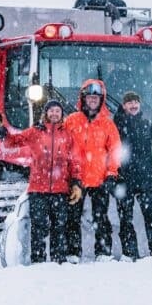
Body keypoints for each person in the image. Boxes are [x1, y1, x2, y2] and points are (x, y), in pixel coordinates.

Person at [0, 100, 81, 264]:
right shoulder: (35, 132)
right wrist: (1, 130)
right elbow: (13, 141)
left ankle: (58, 261)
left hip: (60, 189)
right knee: (39, 227)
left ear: (62, 114)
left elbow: (75, 161)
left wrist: (76, 182)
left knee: (59, 227)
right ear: (46, 113)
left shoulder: (68, 135)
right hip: (38, 189)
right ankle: (38, 260)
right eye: (51, 111)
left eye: (57, 111)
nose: (54, 114)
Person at [64, 79, 122, 262]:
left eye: (96, 98)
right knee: (72, 217)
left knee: (101, 217)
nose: (92, 100)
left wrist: (112, 174)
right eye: (89, 97)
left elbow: (115, 149)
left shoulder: (107, 124)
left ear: (101, 100)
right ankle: (73, 252)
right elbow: (61, 144)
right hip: (76, 179)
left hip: (100, 179)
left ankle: (103, 252)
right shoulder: (71, 121)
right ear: (83, 98)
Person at [113, 91, 152, 260]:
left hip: (146, 179)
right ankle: (130, 254)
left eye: (136, 102)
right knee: (125, 219)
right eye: (130, 103)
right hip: (123, 179)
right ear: (124, 105)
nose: (134, 105)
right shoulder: (116, 126)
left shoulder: (148, 126)